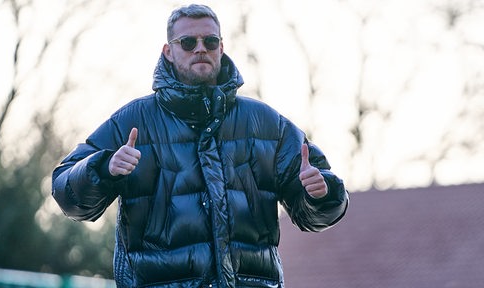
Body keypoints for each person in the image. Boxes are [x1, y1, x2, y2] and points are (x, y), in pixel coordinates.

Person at [52, 3, 349, 288]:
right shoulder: (133, 121)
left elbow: (318, 212)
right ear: (168, 51)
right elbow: (68, 195)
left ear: (221, 47)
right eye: (187, 42)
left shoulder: (266, 124)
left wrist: (321, 196)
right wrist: (104, 167)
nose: (200, 48)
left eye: (209, 40)